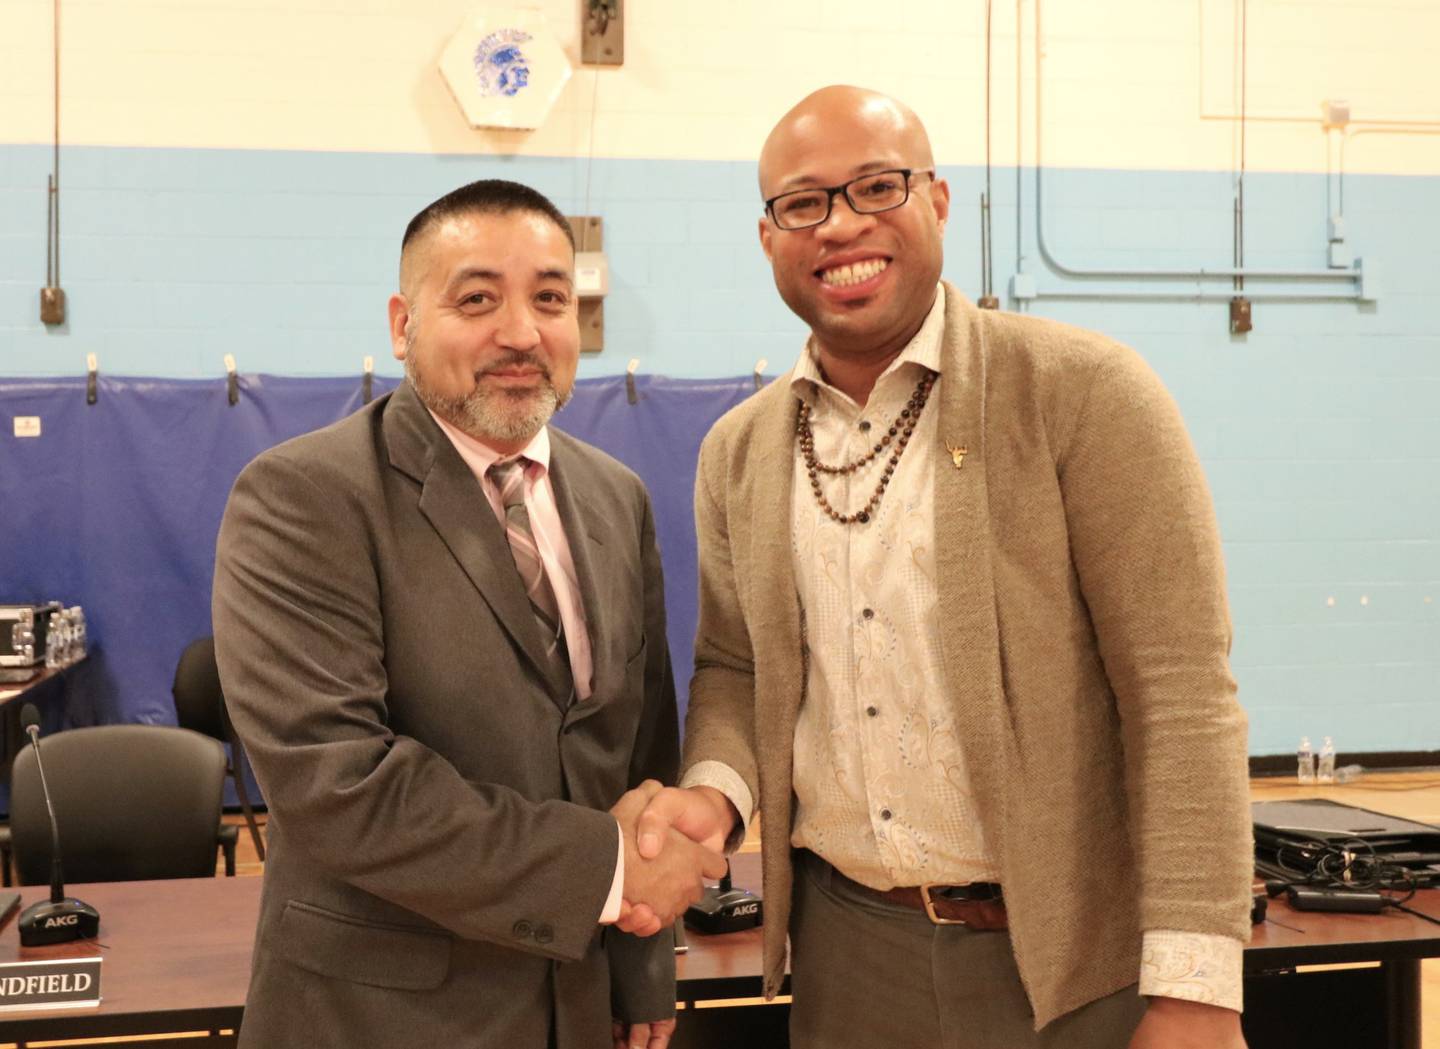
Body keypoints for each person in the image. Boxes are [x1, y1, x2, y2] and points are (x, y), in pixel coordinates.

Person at [632, 86, 1254, 1048]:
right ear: (768, 237)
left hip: (1075, 960)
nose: (841, 226)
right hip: (849, 957)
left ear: (939, 201)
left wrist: (1198, 990)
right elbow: (735, 667)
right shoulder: (738, 450)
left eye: (877, 186)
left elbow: (1181, 695)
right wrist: (714, 792)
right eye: (804, 203)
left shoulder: (1085, 393)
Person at [212, 179, 724, 1049]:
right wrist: (609, 870)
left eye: (551, 299)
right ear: (402, 324)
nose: (522, 332)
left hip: (578, 998)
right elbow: (340, 785)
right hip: (380, 1016)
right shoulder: (302, 496)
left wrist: (643, 961)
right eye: (477, 297)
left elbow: (639, 754)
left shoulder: (616, 497)